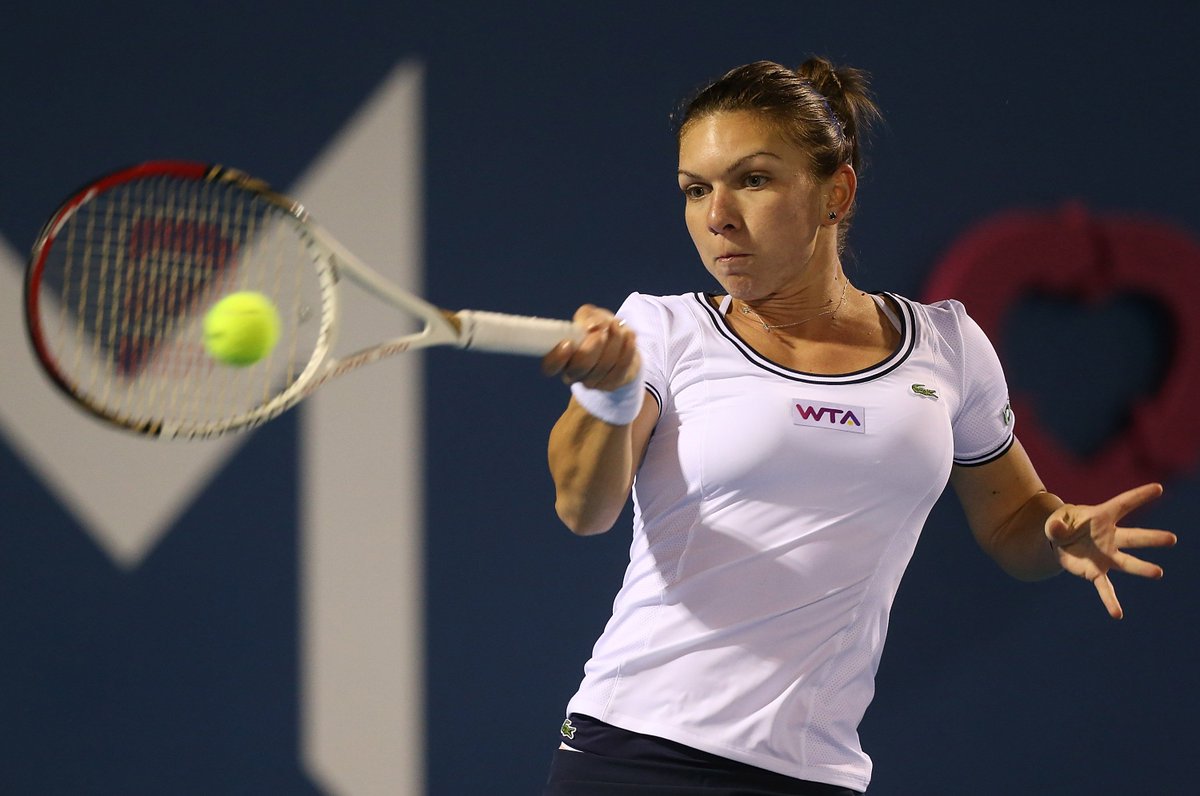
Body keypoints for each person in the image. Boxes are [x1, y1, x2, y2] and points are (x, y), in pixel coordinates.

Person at [538, 57, 1177, 795]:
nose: (716, 216)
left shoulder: (949, 347)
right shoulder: (662, 327)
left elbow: (1017, 528)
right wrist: (609, 397)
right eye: (694, 189)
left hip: (818, 772)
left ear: (835, 191)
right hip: (638, 751)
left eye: (752, 180)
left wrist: (1060, 531)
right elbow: (583, 510)